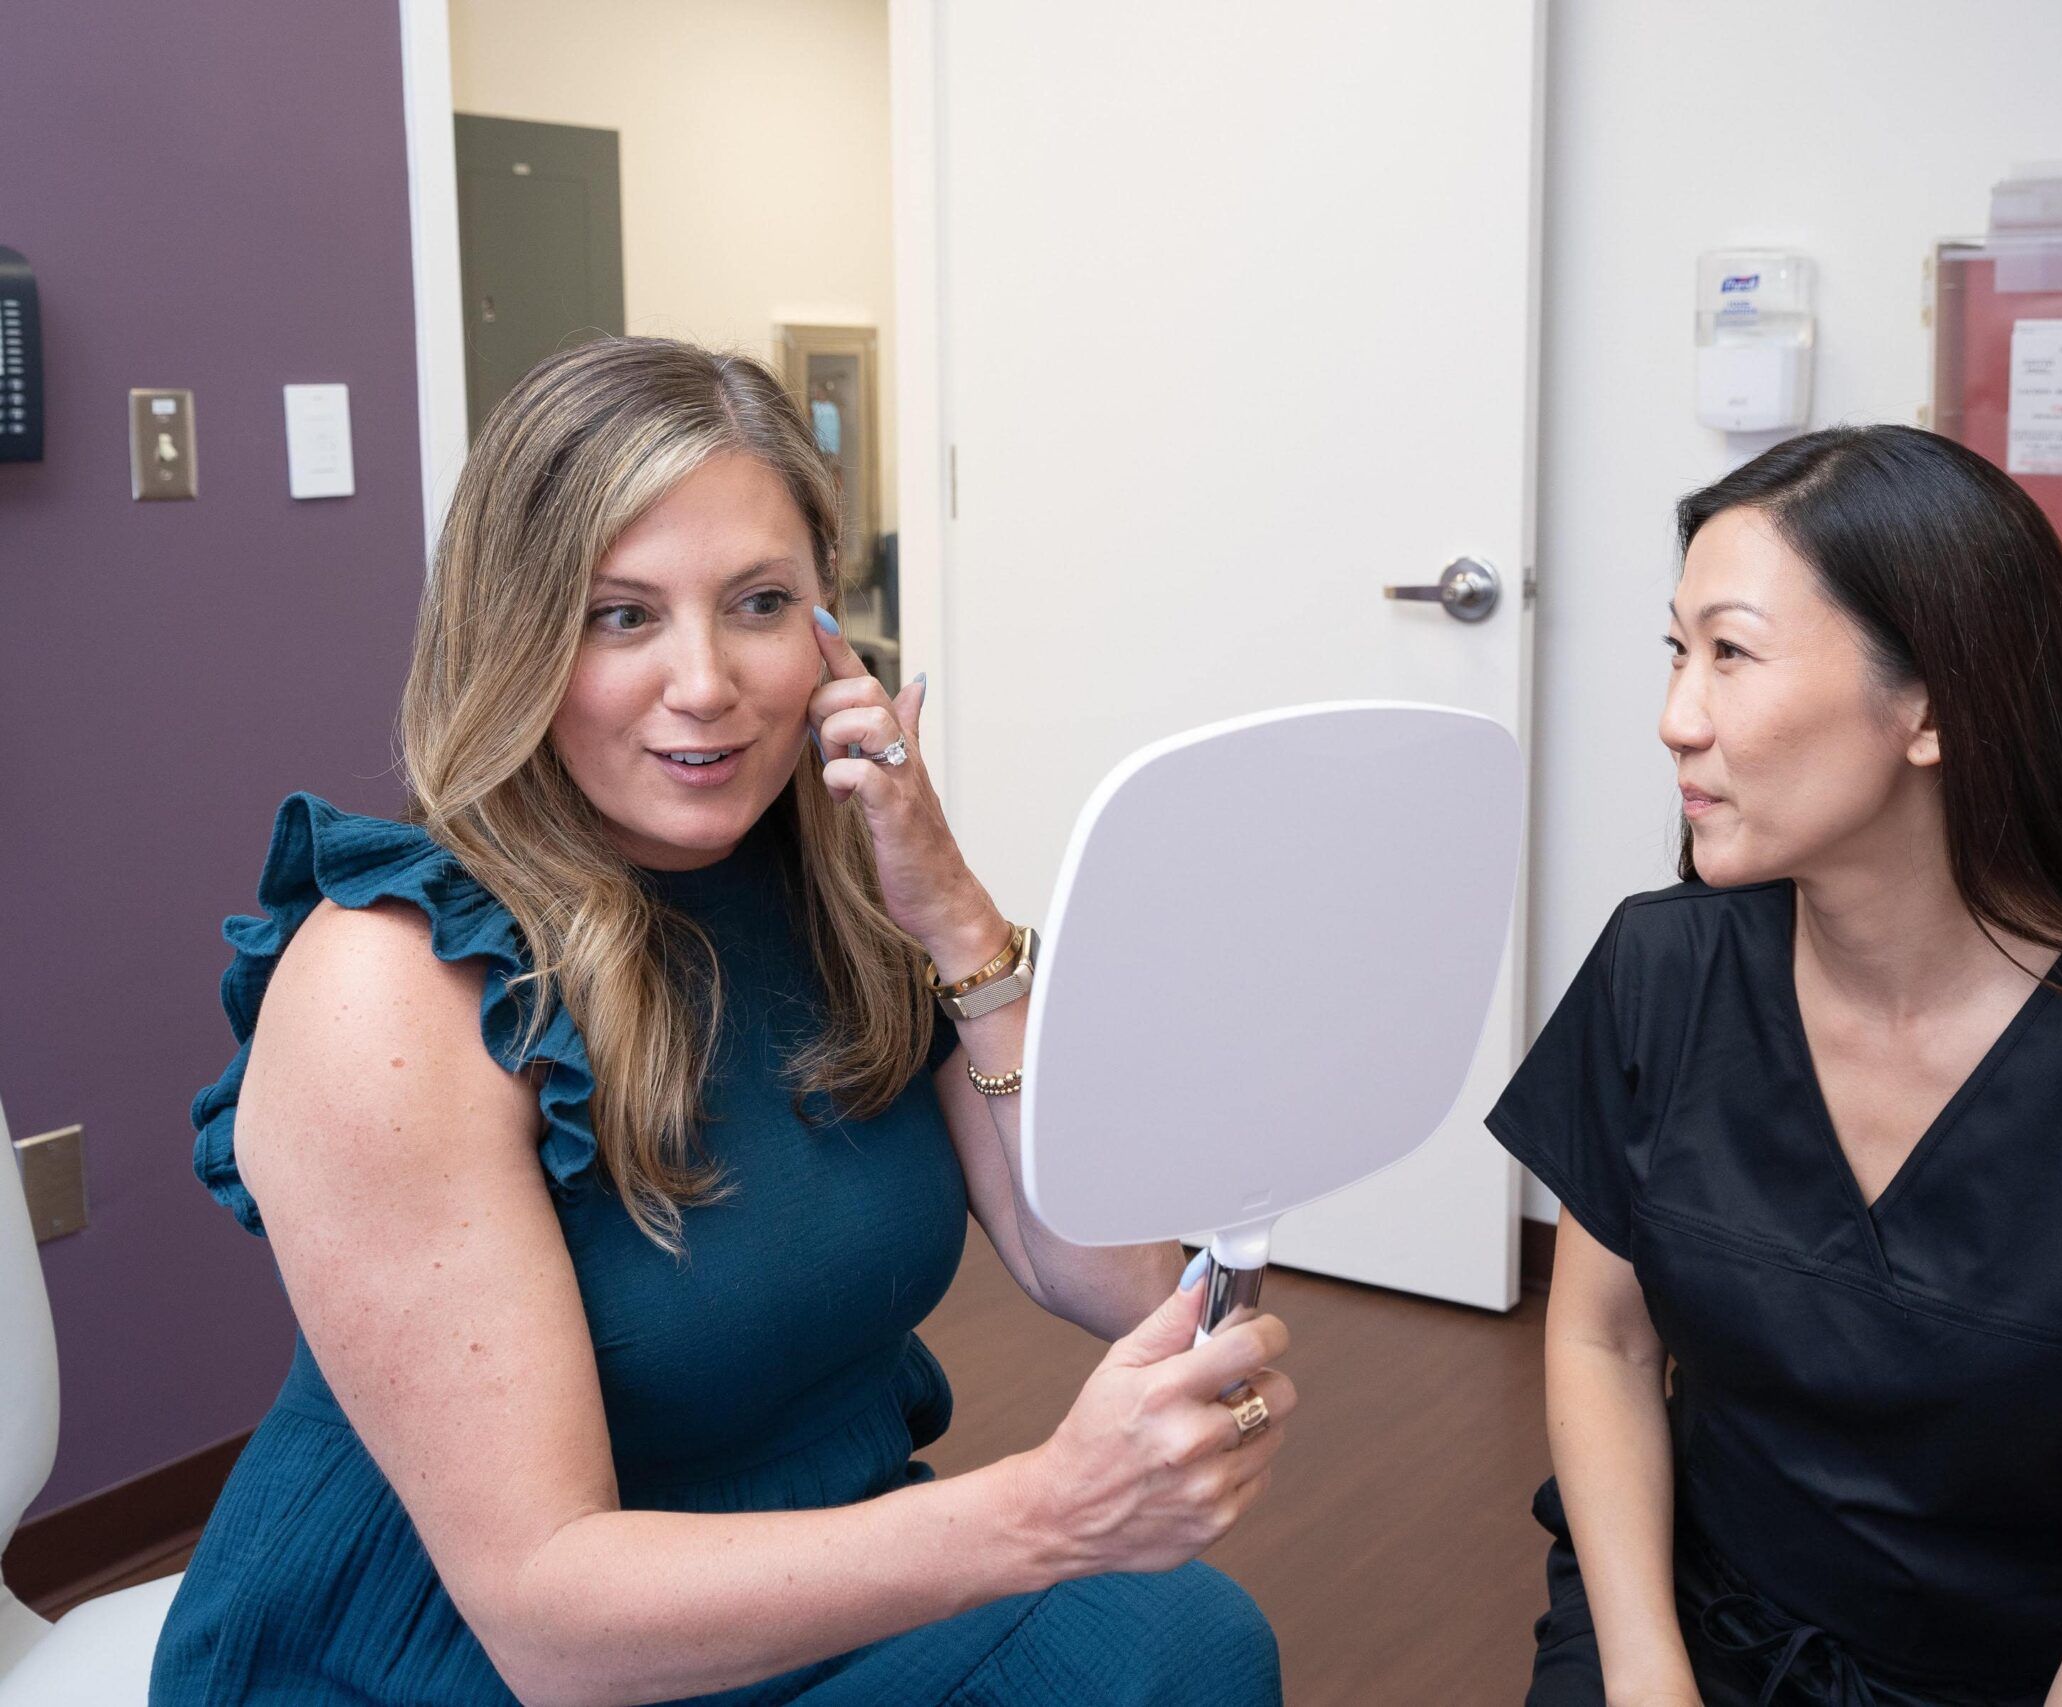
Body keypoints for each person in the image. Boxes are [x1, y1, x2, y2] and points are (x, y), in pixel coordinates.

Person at [152, 338, 1291, 1706]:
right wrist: (1049, 1508)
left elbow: (1112, 1281)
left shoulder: (837, 885)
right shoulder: (391, 982)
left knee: (1188, 1646)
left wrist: (958, 922)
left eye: (758, 602)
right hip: (465, 1657)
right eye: (620, 615)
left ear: (830, 627)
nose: (707, 682)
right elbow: (547, 1617)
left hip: (801, 1586)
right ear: (513, 635)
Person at [1489, 425, 2062, 1707]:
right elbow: (1601, 1343)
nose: (1675, 719)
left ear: (1932, 709)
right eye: (1677, 653)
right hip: (1685, 1634)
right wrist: (1647, 1681)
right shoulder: (1663, 970)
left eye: (1730, 654)